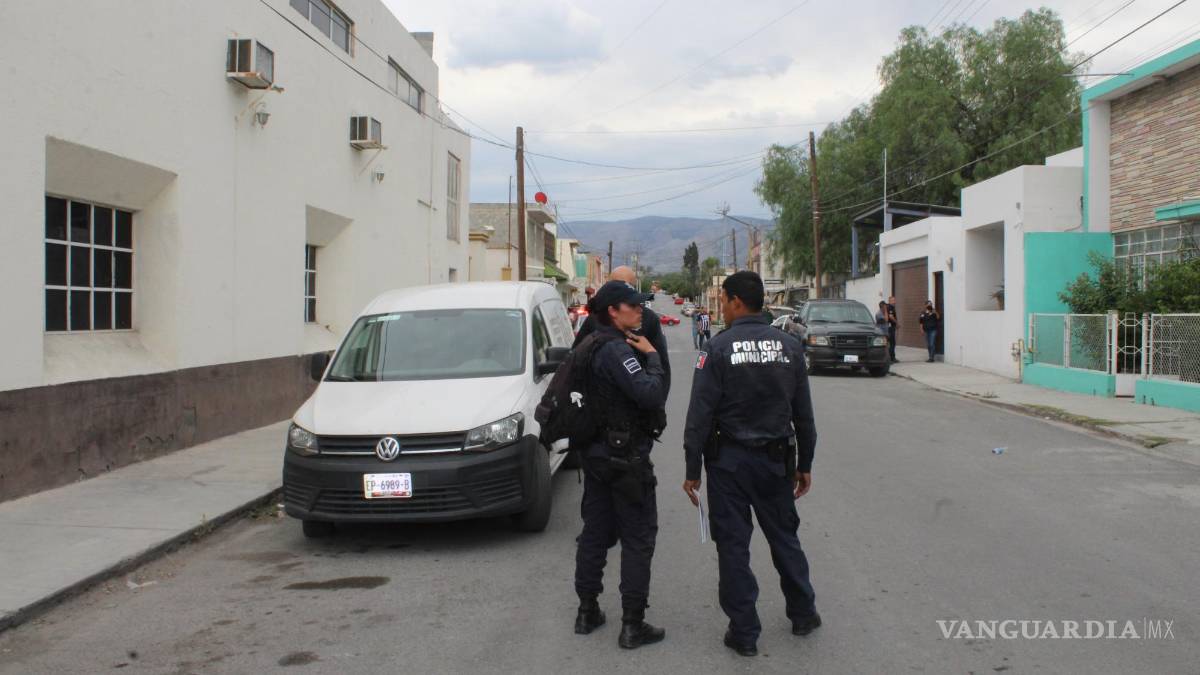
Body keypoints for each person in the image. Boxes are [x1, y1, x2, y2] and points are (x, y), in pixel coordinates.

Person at [682, 271, 820, 657]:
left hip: (728, 466)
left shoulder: (717, 349)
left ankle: (744, 633)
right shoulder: (789, 347)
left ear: (737, 302)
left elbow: (699, 417)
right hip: (776, 462)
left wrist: (693, 470)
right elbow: (804, 416)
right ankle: (804, 613)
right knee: (784, 538)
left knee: (733, 547)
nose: (721, 307)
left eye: (723, 300)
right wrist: (805, 462)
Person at [573, 281, 668, 650]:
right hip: (624, 460)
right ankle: (633, 624)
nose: (639, 310)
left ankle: (587, 611)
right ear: (613, 311)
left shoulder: (588, 343)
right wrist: (654, 356)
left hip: (595, 456)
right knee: (638, 538)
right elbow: (649, 393)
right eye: (632, 305)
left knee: (595, 533)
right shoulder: (617, 349)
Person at [575, 267, 670, 394]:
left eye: (627, 287)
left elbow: (662, 365)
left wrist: (658, 406)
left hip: (640, 399)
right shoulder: (594, 319)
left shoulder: (649, 318)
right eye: (615, 286)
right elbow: (576, 360)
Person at [886, 296, 899, 363]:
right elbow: (891, 317)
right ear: (890, 301)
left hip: (890, 327)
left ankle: (892, 357)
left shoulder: (891, 307)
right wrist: (897, 323)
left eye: (895, 300)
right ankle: (891, 358)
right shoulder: (890, 307)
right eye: (893, 300)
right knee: (892, 343)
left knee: (892, 343)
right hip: (890, 328)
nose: (895, 301)